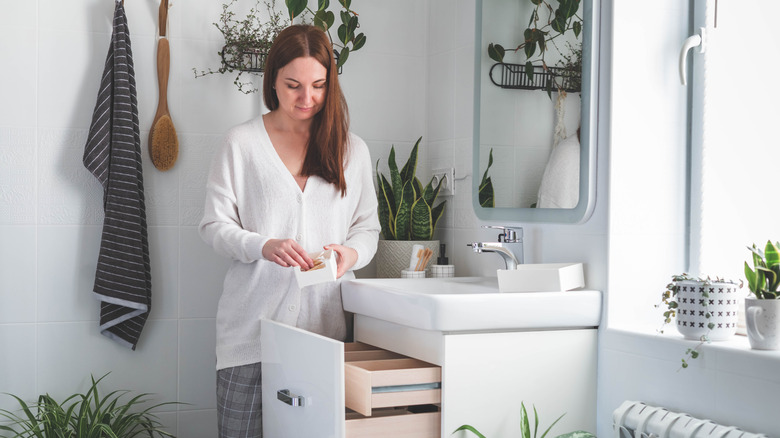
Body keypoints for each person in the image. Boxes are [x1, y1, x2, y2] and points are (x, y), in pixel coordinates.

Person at [198, 24, 380, 438]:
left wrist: (347, 257)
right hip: (249, 336)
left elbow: (367, 230)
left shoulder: (353, 150)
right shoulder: (241, 143)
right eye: (293, 85)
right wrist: (264, 246)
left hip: (324, 337)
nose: (307, 98)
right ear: (273, 81)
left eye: (318, 85)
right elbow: (213, 225)